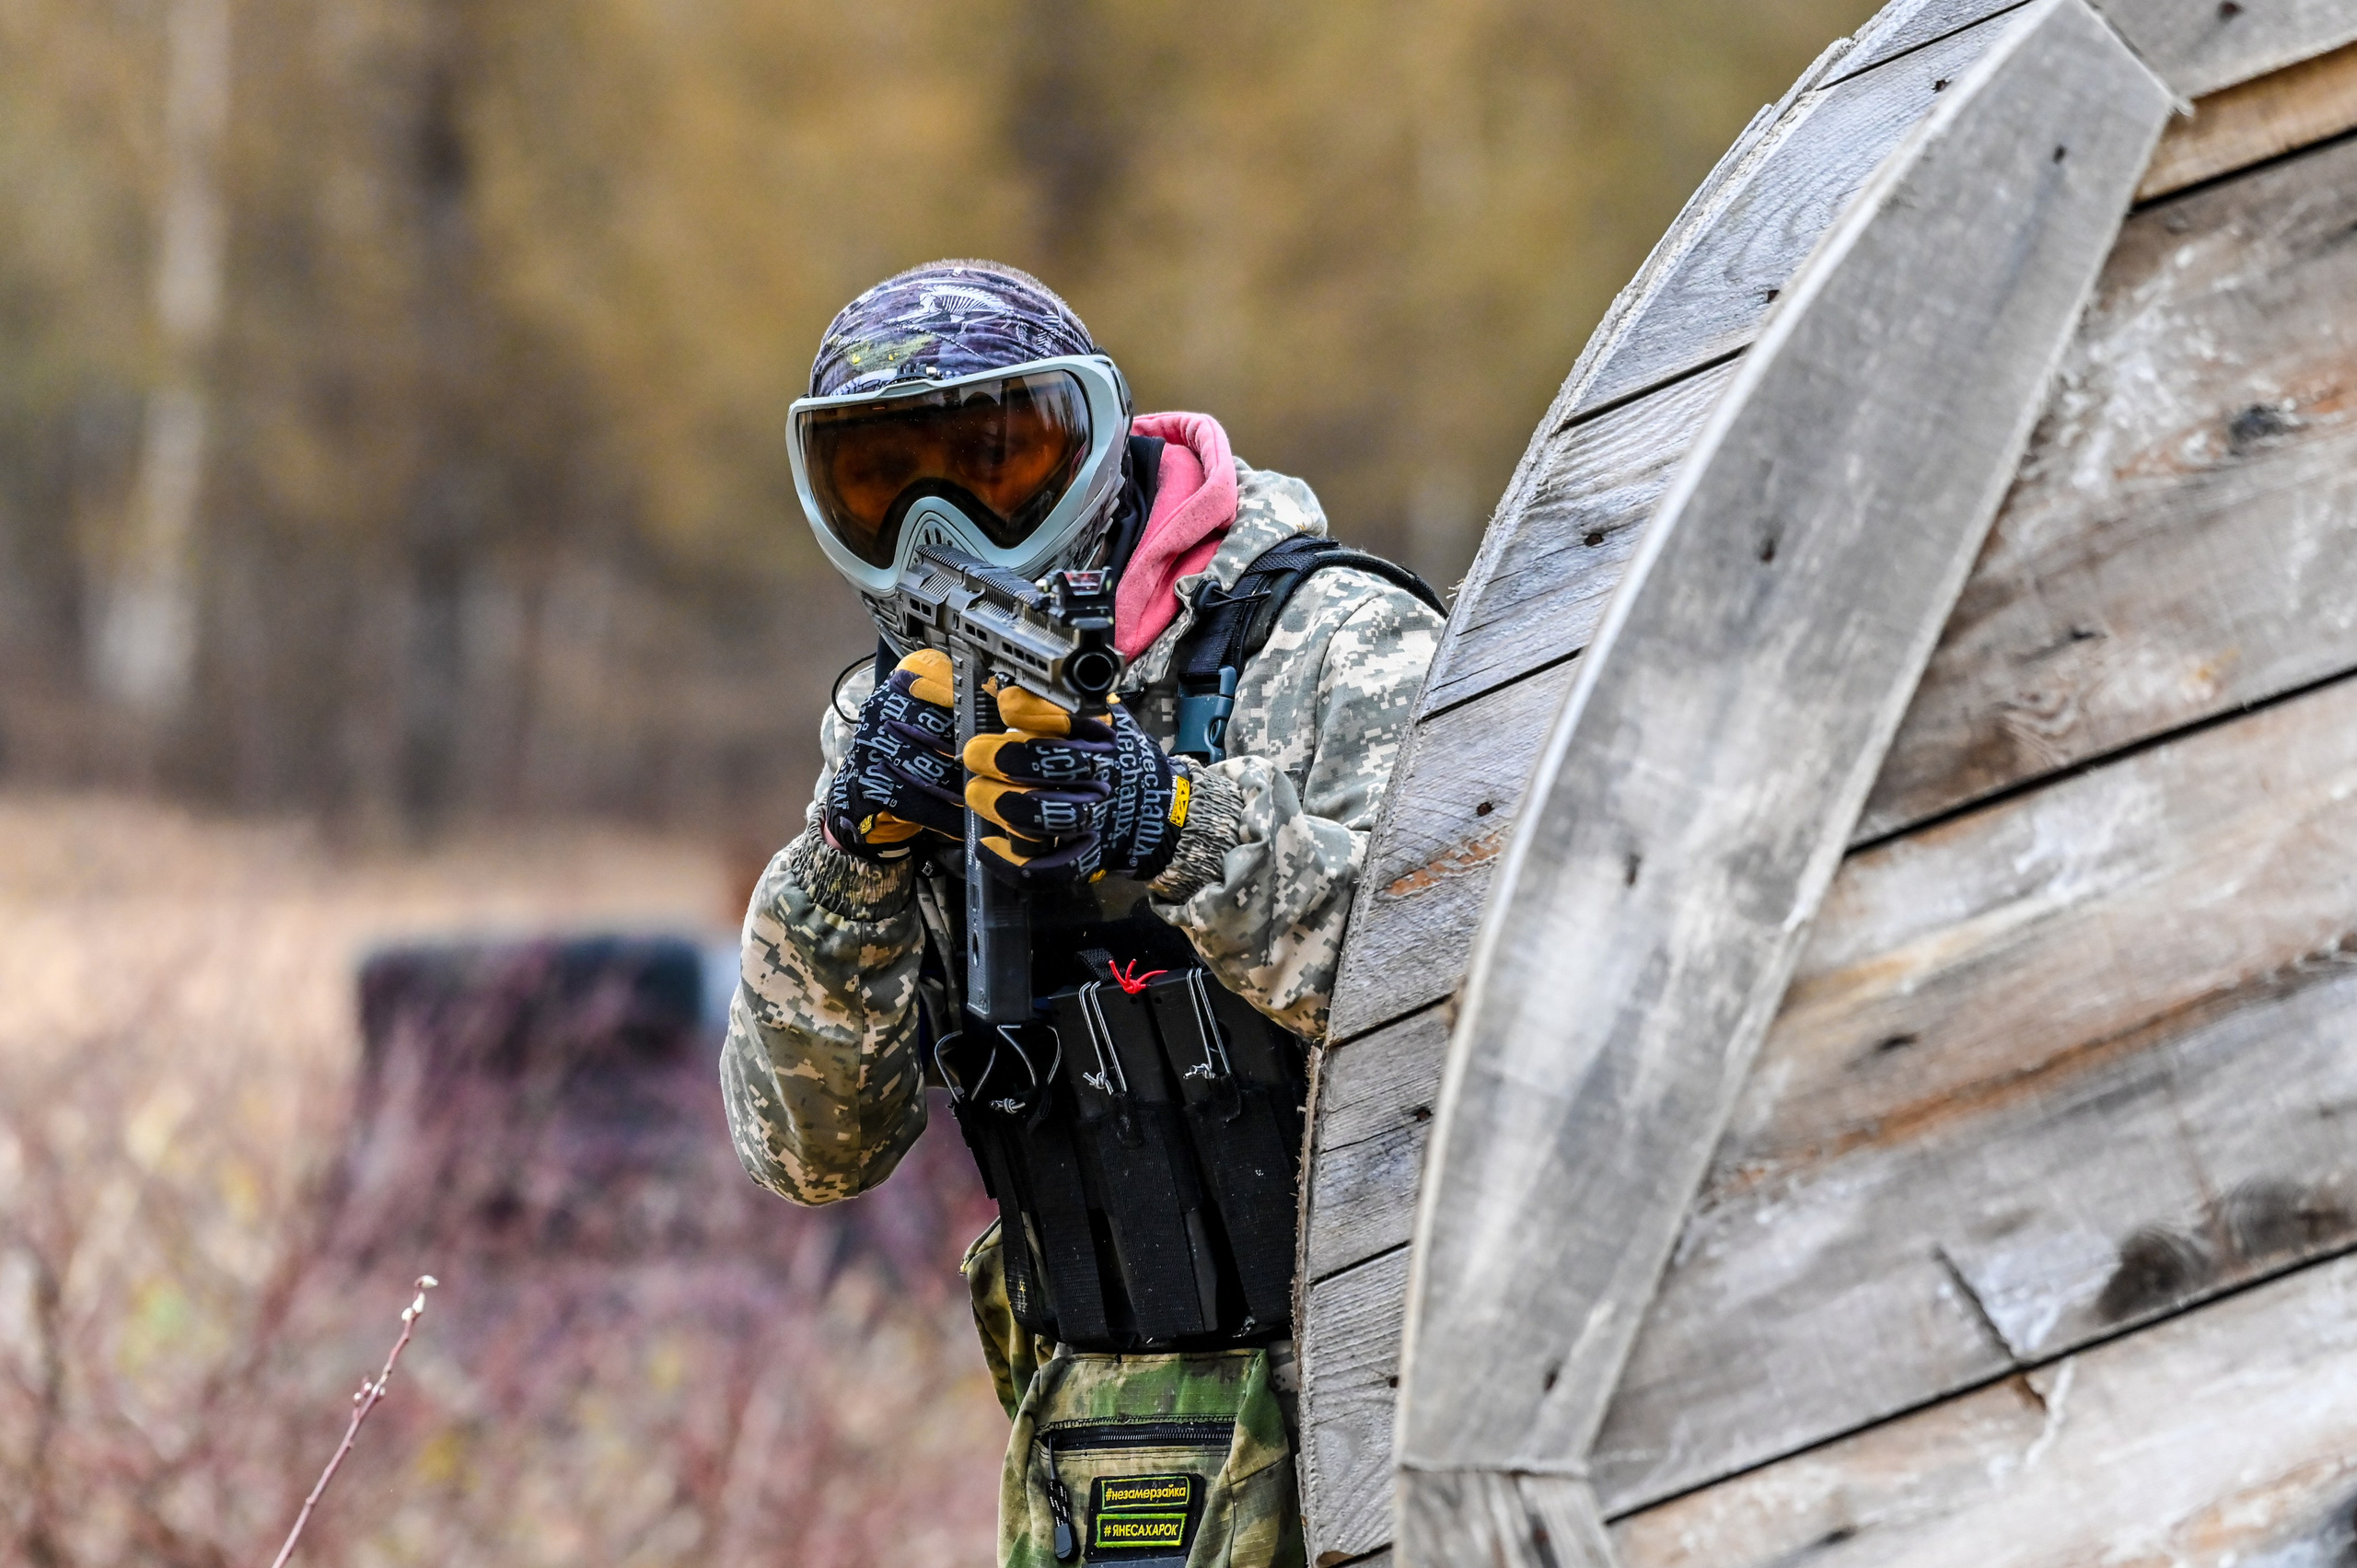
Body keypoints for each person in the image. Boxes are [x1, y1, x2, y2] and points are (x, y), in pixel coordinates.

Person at [721, 259, 1443, 1568]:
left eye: (999, 467)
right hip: (1103, 1453)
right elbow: (807, 1152)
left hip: (1387, 1425)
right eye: (886, 489)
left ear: (1101, 449)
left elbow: (1468, 1002)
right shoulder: (895, 726)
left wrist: (1172, 827)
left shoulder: (1338, 648)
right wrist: (851, 858)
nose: (945, 534)